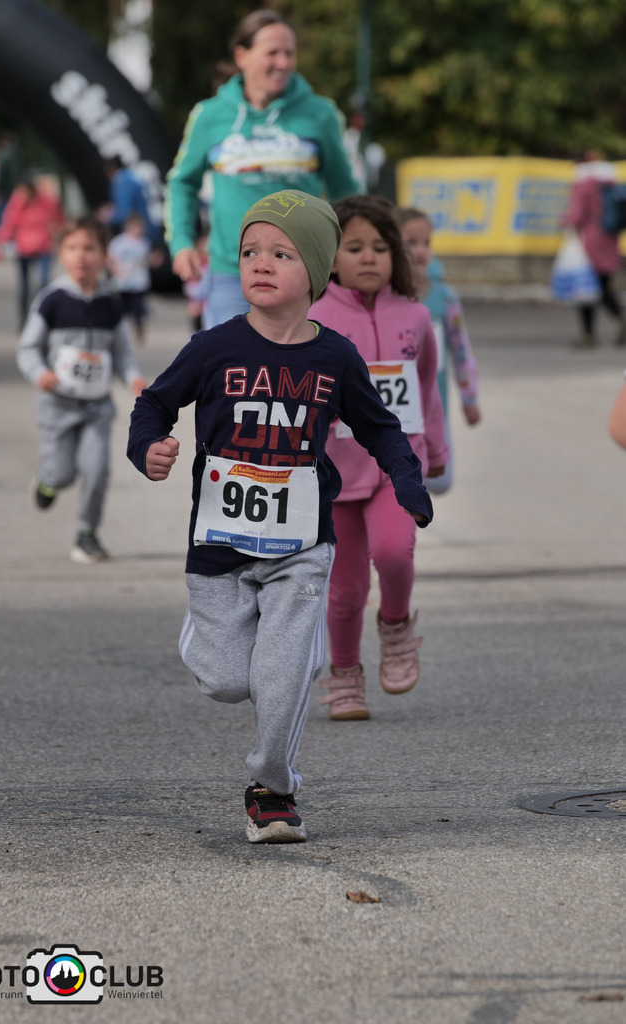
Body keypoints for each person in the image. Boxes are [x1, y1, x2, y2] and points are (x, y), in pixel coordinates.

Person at [127, 190, 433, 843]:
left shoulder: (334, 358)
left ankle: (273, 791)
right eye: (249, 252)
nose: (259, 264)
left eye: (281, 253)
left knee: (281, 675)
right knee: (228, 681)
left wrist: (406, 480)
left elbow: (381, 430)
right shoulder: (212, 348)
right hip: (218, 544)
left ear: (317, 273)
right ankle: (204, 642)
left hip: (300, 545)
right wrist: (146, 448)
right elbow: (152, 406)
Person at [309, 195, 448, 721]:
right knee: (344, 590)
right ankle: (345, 673)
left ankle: (395, 627)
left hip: (397, 466)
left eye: (380, 247)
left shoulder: (415, 316)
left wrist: (435, 447)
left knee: (394, 552)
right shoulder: (316, 319)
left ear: (397, 255)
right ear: (331, 257)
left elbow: (429, 385)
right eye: (354, 247)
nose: (369, 257)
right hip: (336, 474)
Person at [166, 9, 360, 329]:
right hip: (232, 274)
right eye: (273, 53)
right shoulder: (209, 115)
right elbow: (181, 184)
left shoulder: (321, 113)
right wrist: (182, 242)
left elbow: (346, 193)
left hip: (305, 275)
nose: (283, 63)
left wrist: (348, 252)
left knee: (302, 374)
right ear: (242, 56)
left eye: (289, 53)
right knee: (229, 375)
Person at [17, 216, 146, 564]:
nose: (81, 256)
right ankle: (46, 481)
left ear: (104, 256)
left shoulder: (111, 304)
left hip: (97, 407)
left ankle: (86, 533)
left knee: (97, 467)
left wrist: (133, 377)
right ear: (61, 253)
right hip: (56, 404)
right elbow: (28, 348)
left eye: (90, 248)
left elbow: (121, 354)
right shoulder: (52, 300)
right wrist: (39, 373)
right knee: (62, 473)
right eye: (72, 248)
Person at [397, 207, 481, 494]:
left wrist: (469, 396)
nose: (421, 250)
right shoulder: (385, 296)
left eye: (427, 243)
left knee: (440, 480)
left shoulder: (444, 297)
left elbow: (460, 350)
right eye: (411, 242)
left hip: (435, 407)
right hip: (393, 412)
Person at [561, 149, 626, 348]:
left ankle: (588, 334)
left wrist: (563, 221)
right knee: (604, 288)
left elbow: (578, 215)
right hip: (609, 241)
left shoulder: (584, 185)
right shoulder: (609, 183)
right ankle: (618, 319)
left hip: (589, 244)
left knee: (584, 290)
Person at [0, 176, 64, 329]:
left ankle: (44, 317)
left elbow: (59, 219)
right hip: (23, 248)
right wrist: (0, 240)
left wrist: (63, 238)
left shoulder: (47, 202)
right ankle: (23, 319)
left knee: (44, 283)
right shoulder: (18, 202)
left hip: (44, 246)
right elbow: (9, 222)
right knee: (24, 286)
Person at [107, 212, 156, 344]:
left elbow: (145, 259)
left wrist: (154, 260)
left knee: (138, 309)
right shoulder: (120, 242)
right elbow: (111, 258)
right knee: (120, 309)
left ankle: (139, 330)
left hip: (139, 282)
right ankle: (118, 331)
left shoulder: (144, 242)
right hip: (122, 283)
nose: (139, 230)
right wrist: (116, 271)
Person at [102, 157, 154, 240]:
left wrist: (108, 218)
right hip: (150, 227)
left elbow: (124, 212)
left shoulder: (123, 182)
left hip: (142, 234)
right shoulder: (132, 177)